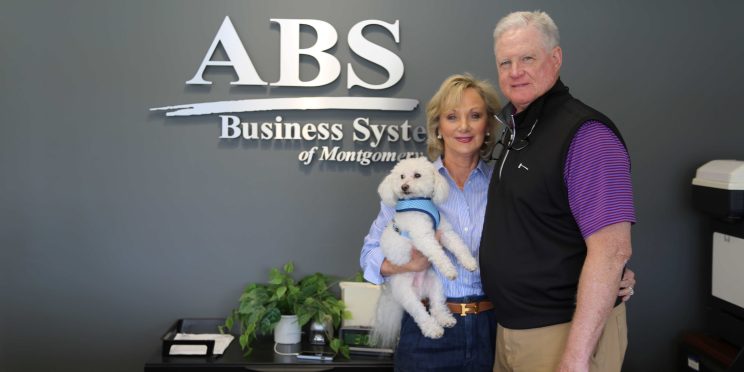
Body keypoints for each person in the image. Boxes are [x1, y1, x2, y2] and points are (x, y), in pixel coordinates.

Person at [360, 74, 636, 371]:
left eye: (475, 116)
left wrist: (610, 276)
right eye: (452, 117)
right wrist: (408, 265)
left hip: (495, 329)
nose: (464, 127)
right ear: (438, 127)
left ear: (487, 126)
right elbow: (369, 256)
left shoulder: (506, 182)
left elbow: (551, 241)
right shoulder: (411, 185)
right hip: (428, 329)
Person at [479, 11, 636, 372]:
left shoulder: (587, 135)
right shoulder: (518, 132)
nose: (515, 70)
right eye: (505, 62)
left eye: (527, 58)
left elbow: (612, 251)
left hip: (562, 334)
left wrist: (576, 357)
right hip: (512, 331)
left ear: (556, 59)